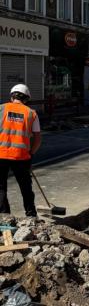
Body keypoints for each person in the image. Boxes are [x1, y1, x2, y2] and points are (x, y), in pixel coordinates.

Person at [0, 84, 41, 217]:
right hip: (22, 157)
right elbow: (37, 139)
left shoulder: (1, 109)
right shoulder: (31, 113)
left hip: (1, 155)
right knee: (25, 188)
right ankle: (31, 215)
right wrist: (31, 154)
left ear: (12, 96)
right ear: (26, 99)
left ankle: (4, 216)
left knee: (0, 187)